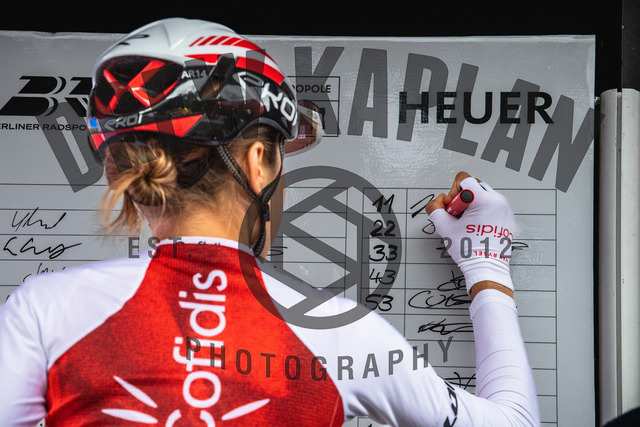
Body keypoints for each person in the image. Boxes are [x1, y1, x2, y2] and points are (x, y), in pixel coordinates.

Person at [0, 18, 540, 426]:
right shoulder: (341, 335)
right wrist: (485, 261)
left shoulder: (43, 310)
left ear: (119, 170)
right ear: (260, 162)